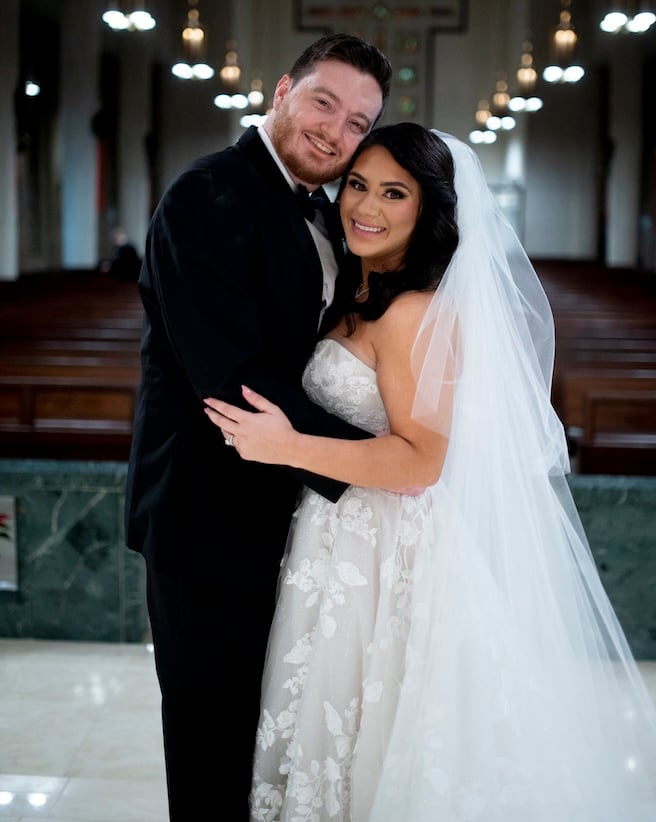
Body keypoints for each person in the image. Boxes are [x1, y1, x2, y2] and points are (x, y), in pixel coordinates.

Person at [204, 123, 656, 821]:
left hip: (387, 552)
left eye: (395, 193)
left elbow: (421, 459)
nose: (367, 206)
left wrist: (285, 445)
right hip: (338, 540)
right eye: (358, 185)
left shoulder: (414, 314)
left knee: (382, 735)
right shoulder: (358, 298)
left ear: (431, 213)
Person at [124, 33, 392, 821]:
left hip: (295, 520)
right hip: (208, 518)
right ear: (282, 91)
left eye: (356, 124)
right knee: (213, 744)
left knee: (276, 740)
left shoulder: (331, 209)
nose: (335, 132)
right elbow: (234, 384)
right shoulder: (208, 195)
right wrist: (382, 461)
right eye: (323, 103)